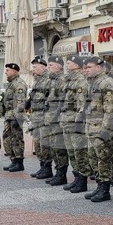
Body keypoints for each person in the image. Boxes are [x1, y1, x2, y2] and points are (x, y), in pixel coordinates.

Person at [83, 56, 113, 202]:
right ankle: (99, 186)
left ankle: (105, 189)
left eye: (89, 67)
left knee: (104, 159)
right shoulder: (93, 82)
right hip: (91, 127)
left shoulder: (107, 83)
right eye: (85, 67)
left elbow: (110, 109)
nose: (86, 70)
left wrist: (106, 130)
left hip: (101, 129)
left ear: (98, 67)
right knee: (93, 158)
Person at [60, 55, 90, 192]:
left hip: (74, 122)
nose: (66, 65)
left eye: (69, 63)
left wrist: (79, 121)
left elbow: (81, 104)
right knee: (71, 152)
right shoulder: (69, 80)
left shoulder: (80, 81)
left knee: (79, 152)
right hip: (67, 121)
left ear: (77, 65)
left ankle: (82, 181)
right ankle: (76, 177)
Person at [43, 56, 69, 186]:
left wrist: (56, 116)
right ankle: (58, 172)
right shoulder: (53, 80)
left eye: (51, 65)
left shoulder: (62, 79)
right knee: (54, 147)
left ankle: (61, 174)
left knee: (59, 148)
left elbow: (62, 100)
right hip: (51, 118)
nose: (48, 68)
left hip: (57, 119)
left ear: (58, 66)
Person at [27, 57, 53, 178]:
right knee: (37, 143)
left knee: (44, 144)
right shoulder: (37, 80)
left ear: (42, 67)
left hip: (43, 117)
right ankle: (42, 166)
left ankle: (47, 168)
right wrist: (28, 102)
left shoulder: (48, 80)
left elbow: (50, 98)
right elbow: (34, 95)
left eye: (35, 67)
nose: (33, 69)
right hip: (35, 117)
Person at [1, 63, 28, 172]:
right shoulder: (10, 83)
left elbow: (20, 102)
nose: (5, 72)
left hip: (15, 116)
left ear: (14, 71)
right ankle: (13, 160)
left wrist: (18, 118)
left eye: (8, 70)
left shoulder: (19, 84)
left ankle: (19, 162)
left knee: (16, 139)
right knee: (7, 138)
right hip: (9, 115)